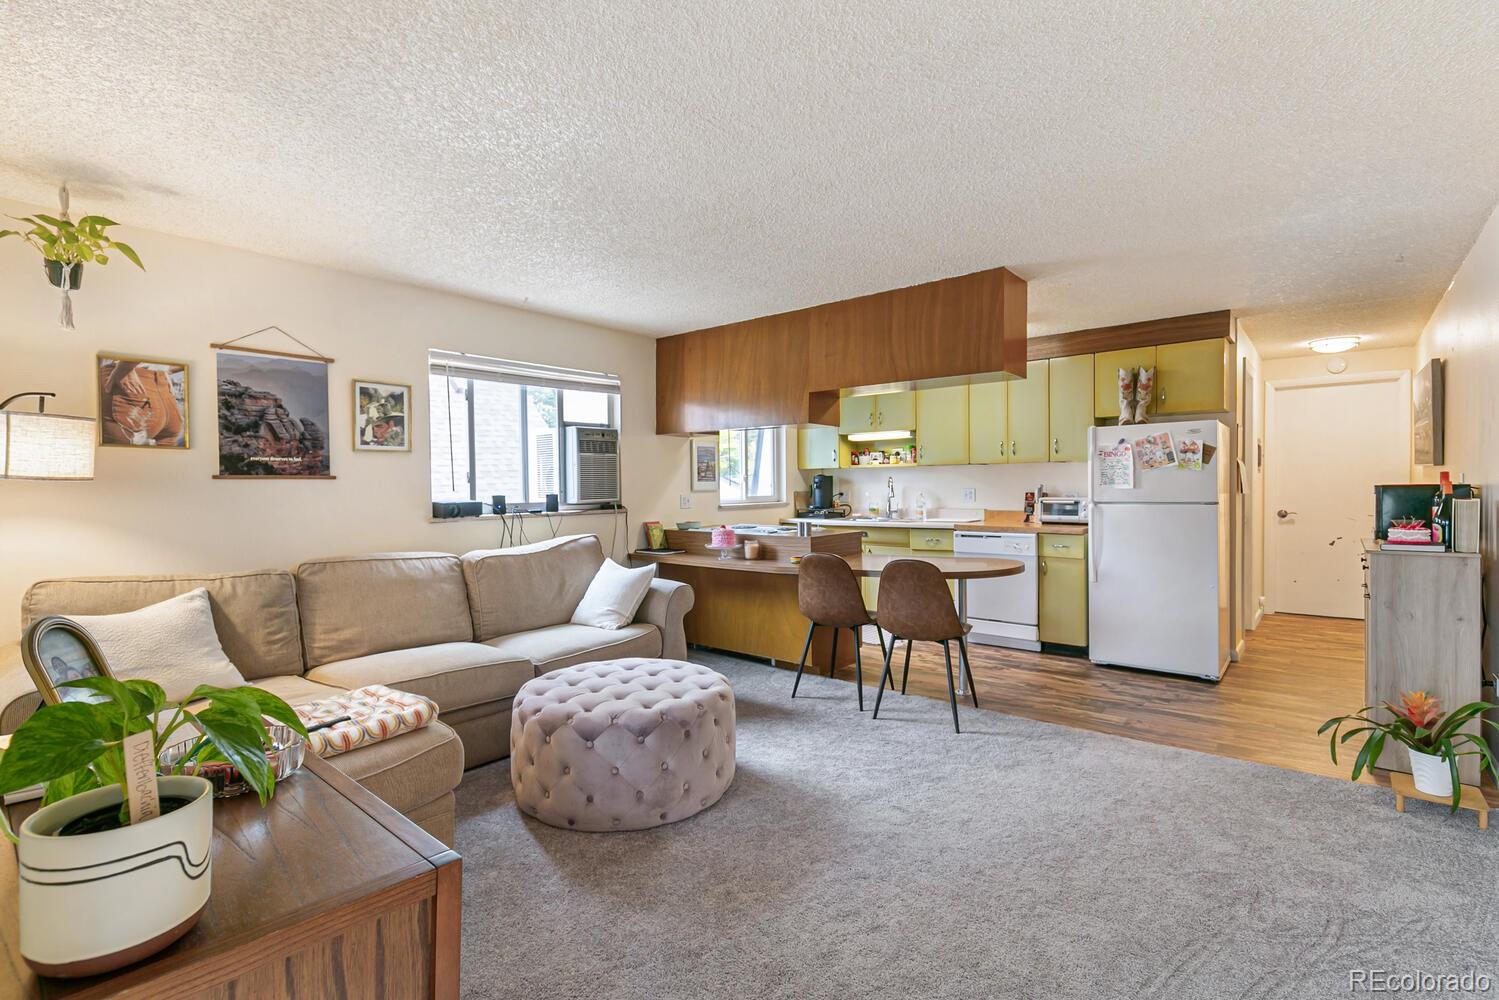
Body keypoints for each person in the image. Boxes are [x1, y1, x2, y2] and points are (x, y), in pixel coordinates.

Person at [100, 360, 185, 446]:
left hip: (129, 382)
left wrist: (124, 368)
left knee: (116, 453)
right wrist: (164, 369)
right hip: (164, 390)